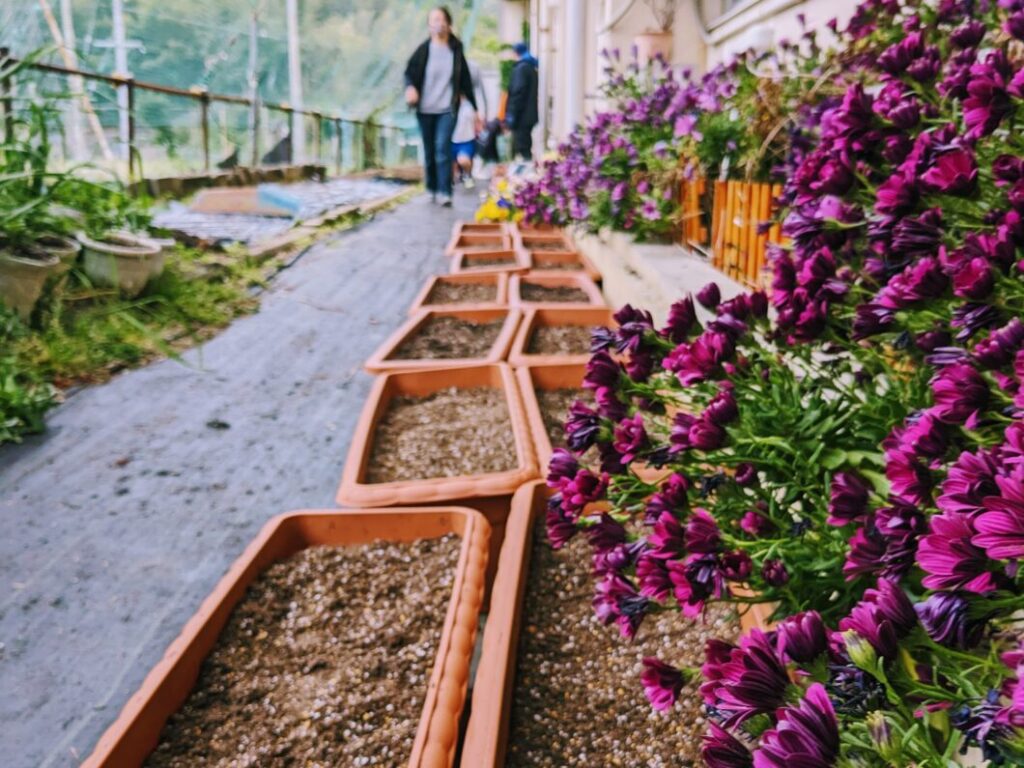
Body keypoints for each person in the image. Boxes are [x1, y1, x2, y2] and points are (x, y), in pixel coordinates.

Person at [404, 6, 478, 207]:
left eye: (441, 19)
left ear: (448, 23)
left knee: (442, 148)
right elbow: (409, 73)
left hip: (447, 108)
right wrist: (410, 88)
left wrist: (476, 108)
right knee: (429, 150)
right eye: (434, 20)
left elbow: (465, 80)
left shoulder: (456, 49)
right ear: (429, 25)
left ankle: (445, 191)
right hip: (424, 109)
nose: (438, 24)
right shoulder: (423, 50)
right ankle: (432, 188)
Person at [451, 60, 486, 189]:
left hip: (466, 140)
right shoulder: (449, 105)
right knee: (449, 167)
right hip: (451, 140)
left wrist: (480, 126)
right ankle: (454, 181)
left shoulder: (470, 105)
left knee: (463, 160)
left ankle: (468, 173)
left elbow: (478, 121)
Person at [505, 42, 539, 161]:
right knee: (525, 146)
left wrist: (511, 116)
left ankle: (525, 175)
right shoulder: (530, 67)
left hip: (521, 117)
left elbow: (517, 93)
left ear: (516, 53)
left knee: (523, 150)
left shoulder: (521, 69)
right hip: (528, 116)